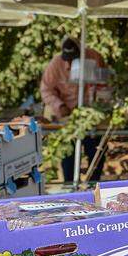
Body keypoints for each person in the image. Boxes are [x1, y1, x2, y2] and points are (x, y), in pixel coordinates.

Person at [40, 37, 107, 181]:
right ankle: (70, 186)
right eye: (68, 59)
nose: (70, 63)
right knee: (68, 154)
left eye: (74, 59)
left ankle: (93, 184)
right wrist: (60, 106)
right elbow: (46, 90)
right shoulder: (55, 64)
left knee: (96, 151)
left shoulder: (94, 57)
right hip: (67, 118)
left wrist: (97, 106)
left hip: (91, 116)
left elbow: (104, 84)